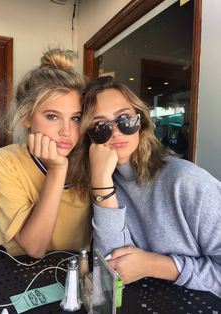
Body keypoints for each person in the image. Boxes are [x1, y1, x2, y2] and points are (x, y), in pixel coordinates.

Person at [77, 76, 221, 298]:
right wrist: (102, 185)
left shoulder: (187, 181)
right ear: (89, 137)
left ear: (141, 124)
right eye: (100, 126)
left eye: (124, 119)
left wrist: (154, 265)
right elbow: (113, 268)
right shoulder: (104, 181)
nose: (115, 133)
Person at [0, 48, 92, 257]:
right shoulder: (7, 160)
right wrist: (57, 169)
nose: (66, 131)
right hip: (23, 274)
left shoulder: (91, 158)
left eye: (75, 118)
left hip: (79, 272)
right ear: (27, 117)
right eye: (53, 116)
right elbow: (34, 247)